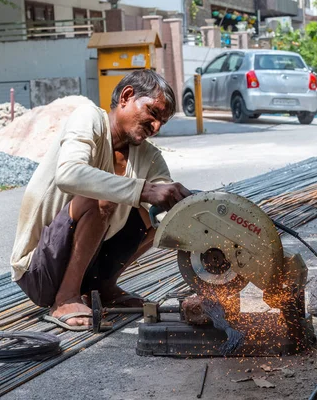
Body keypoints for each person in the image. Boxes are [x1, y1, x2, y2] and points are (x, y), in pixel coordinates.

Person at [10, 70, 192, 330]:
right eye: (153, 113)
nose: (156, 127)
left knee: (161, 213)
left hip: (89, 267)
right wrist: (144, 190)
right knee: (101, 199)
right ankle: (65, 298)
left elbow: (166, 208)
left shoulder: (150, 156)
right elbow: (68, 174)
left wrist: (198, 230)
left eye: (162, 122)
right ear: (127, 96)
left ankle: (103, 287)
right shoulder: (89, 118)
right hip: (39, 270)